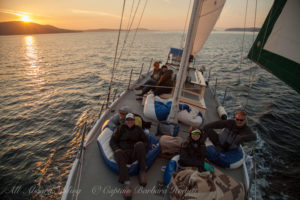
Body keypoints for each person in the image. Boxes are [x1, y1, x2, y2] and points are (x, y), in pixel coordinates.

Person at [110, 113, 149, 200]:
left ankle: (142, 171)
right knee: (117, 153)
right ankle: (127, 183)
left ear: (134, 121)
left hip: (135, 153)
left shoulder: (139, 129)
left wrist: (142, 148)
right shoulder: (120, 129)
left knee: (140, 144)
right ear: (125, 121)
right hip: (124, 154)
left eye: (131, 120)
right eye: (128, 120)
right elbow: (112, 141)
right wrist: (117, 149)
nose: (130, 121)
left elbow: (146, 141)